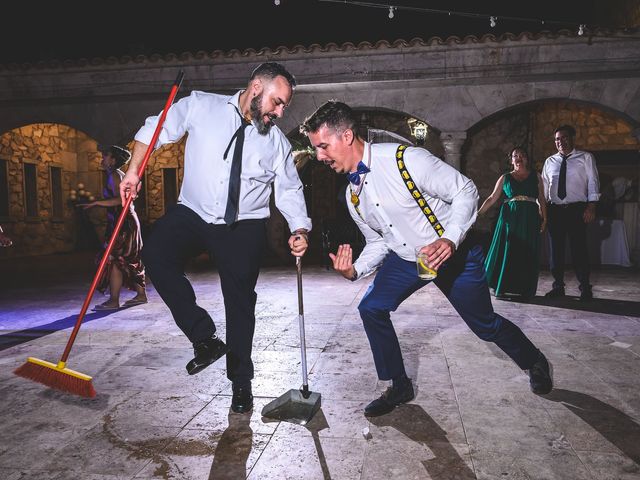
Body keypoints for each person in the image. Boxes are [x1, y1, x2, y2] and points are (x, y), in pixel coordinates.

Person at [300, 100, 552, 418]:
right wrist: (354, 269)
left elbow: (465, 190)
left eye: (323, 146)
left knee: (485, 326)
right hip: (406, 259)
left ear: (347, 136)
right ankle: (399, 384)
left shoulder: (407, 160)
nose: (320, 157)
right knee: (371, 307)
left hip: (452, 255)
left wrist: (450, 237)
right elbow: (379, 241)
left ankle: (535, 361)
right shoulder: (354, 195)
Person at [119, 62, 311, 414]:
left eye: (285, 105)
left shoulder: (276, 143)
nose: (281, 112)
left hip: (244, 225)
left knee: (240, 302)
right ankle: (203, 338)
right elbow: (154, 129)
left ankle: (241, 382)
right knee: (156, 254)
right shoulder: (201, 106)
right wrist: (133, 171)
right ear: (256, 87)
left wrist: (299, 229)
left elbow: (289, 189)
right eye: (278, 102)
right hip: (193, 211)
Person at [80, 145, 147, 310]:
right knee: (129, 258)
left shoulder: (115, 176)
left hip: (123, 223)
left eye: (105, 156)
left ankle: (114, 300)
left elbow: (121, 200)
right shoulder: (118, 175)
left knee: (116, 259)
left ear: (113, 160)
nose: (102, 159)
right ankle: (140, 295)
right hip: (124, 221)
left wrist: (96, 203)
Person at [478, 147, 547, 300]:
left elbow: (541, 198)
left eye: (522, 155)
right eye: (516, 156)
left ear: (527, 159)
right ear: (511, 160)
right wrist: (478, 214)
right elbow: (491, 198)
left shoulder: (536, 176)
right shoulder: (505, 178)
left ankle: (524, 288)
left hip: (529, 217)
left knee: (527, 251)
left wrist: (545, 218)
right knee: (508, 250)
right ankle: (502, 286)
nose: (519, 158)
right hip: (510, 217)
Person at [542, 125, 600, 301]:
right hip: (555, 210)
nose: (560, 142)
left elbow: (593, 182)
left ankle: (585, 288)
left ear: (572, 138)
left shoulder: (586, 157)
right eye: (557, 139)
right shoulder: (549, 161)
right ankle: (558, 286)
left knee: (579, 250)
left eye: (564, 137)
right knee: (556, 251)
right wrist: (542, 210)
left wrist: (591, 206)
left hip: (577, 209)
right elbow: (544, 187)